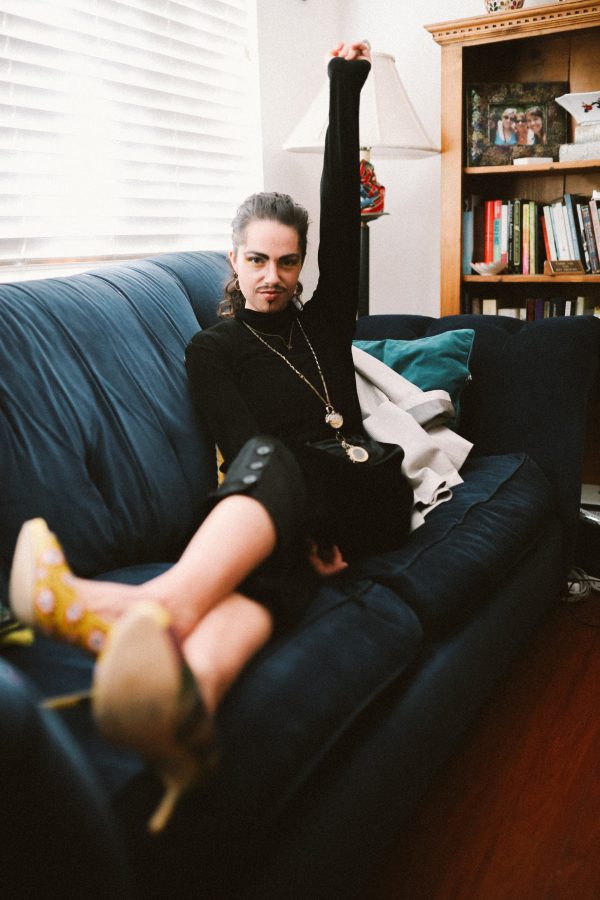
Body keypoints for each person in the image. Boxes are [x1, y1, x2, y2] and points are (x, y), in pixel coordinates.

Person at [8, 40, 413, 834]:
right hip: (295, 511)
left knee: (274, 481)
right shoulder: (214, 349)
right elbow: (243, 441)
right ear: (234, 258)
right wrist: (304, 534)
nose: (272, 276)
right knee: (269, 560)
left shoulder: (327, 320)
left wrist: (344, 84)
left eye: (287, 262)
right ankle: (190, 698)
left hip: (371, 493)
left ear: (303, 266)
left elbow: (341, 209)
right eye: (257, 259)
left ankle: (143, 605)